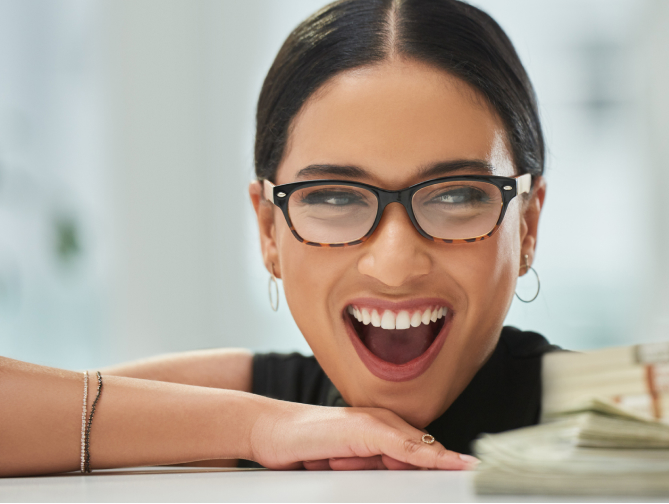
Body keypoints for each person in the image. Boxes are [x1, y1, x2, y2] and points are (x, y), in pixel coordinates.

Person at [0, 0, 556, 477]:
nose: (394, 266)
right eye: (334, 197)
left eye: (455, 196)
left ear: (526, 225)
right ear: (269, 230)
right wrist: (261, 427)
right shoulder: (269, 401)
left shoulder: (604, 409)